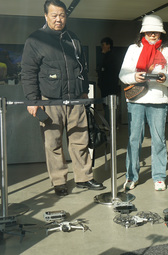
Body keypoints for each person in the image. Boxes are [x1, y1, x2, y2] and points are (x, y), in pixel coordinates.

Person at [21, 0, 105, 196]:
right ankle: (59, 182)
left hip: (75, 99)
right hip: (50, 101)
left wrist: (84, 90)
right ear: (45, 16)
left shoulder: (73, 38)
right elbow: (28, 72)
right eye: (54, 15)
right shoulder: (35, 40)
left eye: (62, 15)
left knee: (80, 140)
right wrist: (32, 100)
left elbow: (82, 66)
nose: (59, 19)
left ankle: (84, 178)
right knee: (53, 143)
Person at [119, 14, 168, 191]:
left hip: (158, 101)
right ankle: (131, 176)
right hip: (137, 99)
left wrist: (164, 78)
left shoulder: (167, 51)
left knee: (159, 140)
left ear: (162, 34)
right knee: (133, 139)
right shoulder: (133, 49)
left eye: (157, 32)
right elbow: (122, 75)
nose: (153, 35)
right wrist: (134, 77)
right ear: (143, 32)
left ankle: (159, 177)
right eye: (150, 32)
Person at [97, 37, 120, 122]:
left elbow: (108, 70)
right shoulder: (103, 56)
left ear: (108, 45)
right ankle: (107, 123)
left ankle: (111, 124)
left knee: (110, 106)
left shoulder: (112, 57)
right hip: (104, 86)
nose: (102, 47)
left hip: (110, 86)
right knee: (105, 105)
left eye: (104, 45)